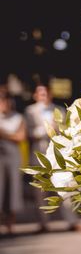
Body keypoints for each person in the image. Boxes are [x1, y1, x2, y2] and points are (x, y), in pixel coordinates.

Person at [25, 84, 81, 232]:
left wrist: (56, 130)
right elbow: (28, 132)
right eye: (41, 94)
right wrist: (46, 129)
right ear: (36, 96)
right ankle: (43, 223)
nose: (44, 96)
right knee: (40, 190)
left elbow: (67, 130)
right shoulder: (30, 111)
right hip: (38, 152)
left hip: (58, 152)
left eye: (46, 93)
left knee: (64, 186)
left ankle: (72, 221)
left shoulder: (59, 109)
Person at [0, 90, 27, 236]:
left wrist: (3, 134)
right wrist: (12, 135)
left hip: (13, 157)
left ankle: (10, 226)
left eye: (6, 100)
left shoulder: (18, 117)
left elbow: (21, 136)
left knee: (13, 190)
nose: (5, 104)